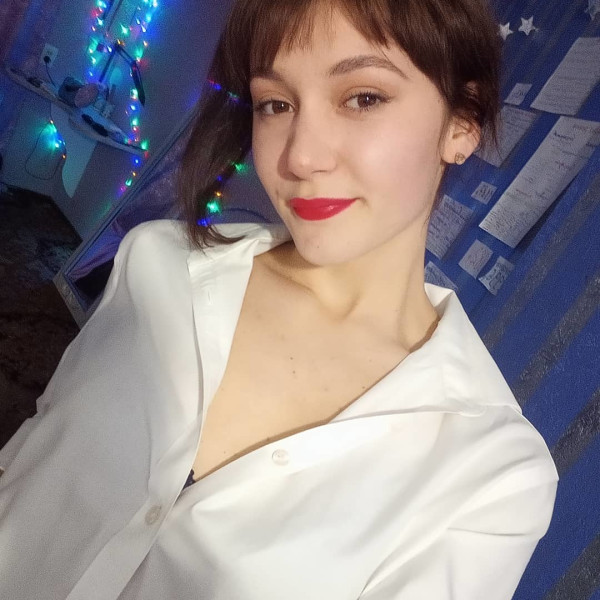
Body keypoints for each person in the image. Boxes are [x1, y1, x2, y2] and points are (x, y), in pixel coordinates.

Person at [0, 0, 559, 598]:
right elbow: (32, 464)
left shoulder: (491, 476)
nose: (299, 157)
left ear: (462, 122)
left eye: (362, 98)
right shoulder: (158, 265)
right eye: (275, 104)